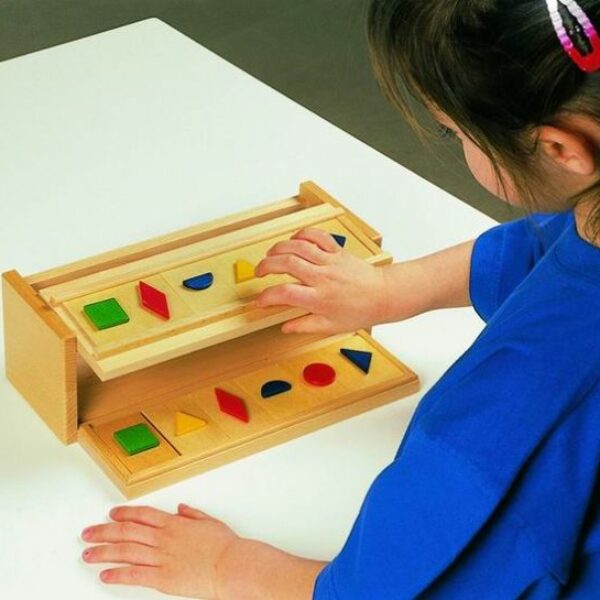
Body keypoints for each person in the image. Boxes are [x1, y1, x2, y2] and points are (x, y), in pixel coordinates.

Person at [80, 0, 600, 597]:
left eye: (454, 132)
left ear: (561, 150)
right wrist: (396, 288)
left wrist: (226, 567)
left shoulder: (523, 404)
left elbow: (397, 587)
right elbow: (556, 247)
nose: (454, 142)